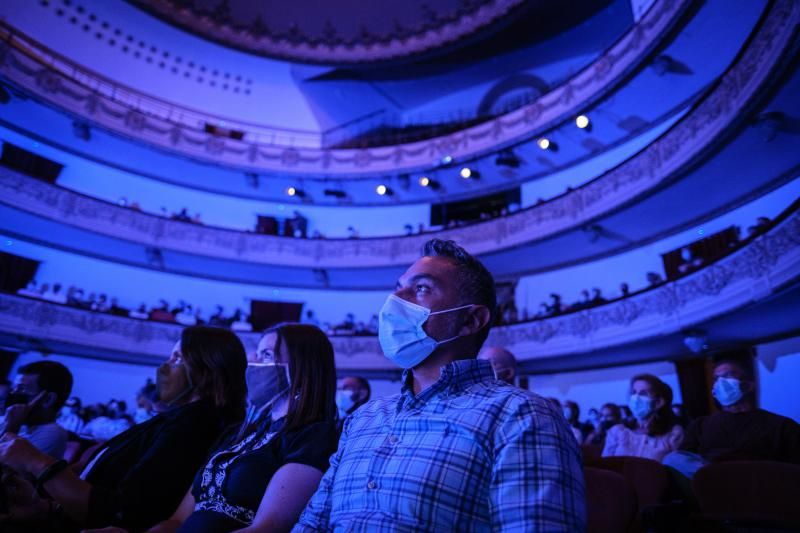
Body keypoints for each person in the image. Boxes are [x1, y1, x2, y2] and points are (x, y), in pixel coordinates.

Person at [293, 239, 585, 531]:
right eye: (398, 287)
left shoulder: (521, 416)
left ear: (470, 320)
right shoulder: (364, 419)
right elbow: (312, 524)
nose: (396, 298)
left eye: (421, 288)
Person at [0, 326, 248, 531]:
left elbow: (120, 512)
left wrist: (36, 462)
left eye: (177, 358)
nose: (164, 367)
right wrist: (44, 507)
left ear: (206, 371)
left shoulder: (193, 427)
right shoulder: (175, 419)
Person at [151, 323, 339, 532]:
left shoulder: (314, 436)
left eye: (266, 355)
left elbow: (269, 527)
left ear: (303, 368)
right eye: (257, 354)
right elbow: (178, 520)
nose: (253, 362)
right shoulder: (236, 432)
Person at [664, 359, 800, 479]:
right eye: (716, 378)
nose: (720, 382)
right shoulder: (701, 425)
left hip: (761, 486)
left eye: (727, 375)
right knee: (673, 458)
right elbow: (682, 461)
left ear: (748, 385)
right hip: (716, 488)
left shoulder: (781, 426)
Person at [603, 374, 684, 461]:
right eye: (634, 392)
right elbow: (605, 466)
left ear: (658, 402)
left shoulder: (673, 434)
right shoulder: (617, 431)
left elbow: (677, 470)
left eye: (643, 393)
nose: (636, 398)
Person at [2, 361, 72, 458]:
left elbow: (5, 466)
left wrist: (11, 428)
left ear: (48, 399)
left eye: (21, 389)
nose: (13, 394)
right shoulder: (23, 426)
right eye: (14, 389)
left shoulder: (52, 433)